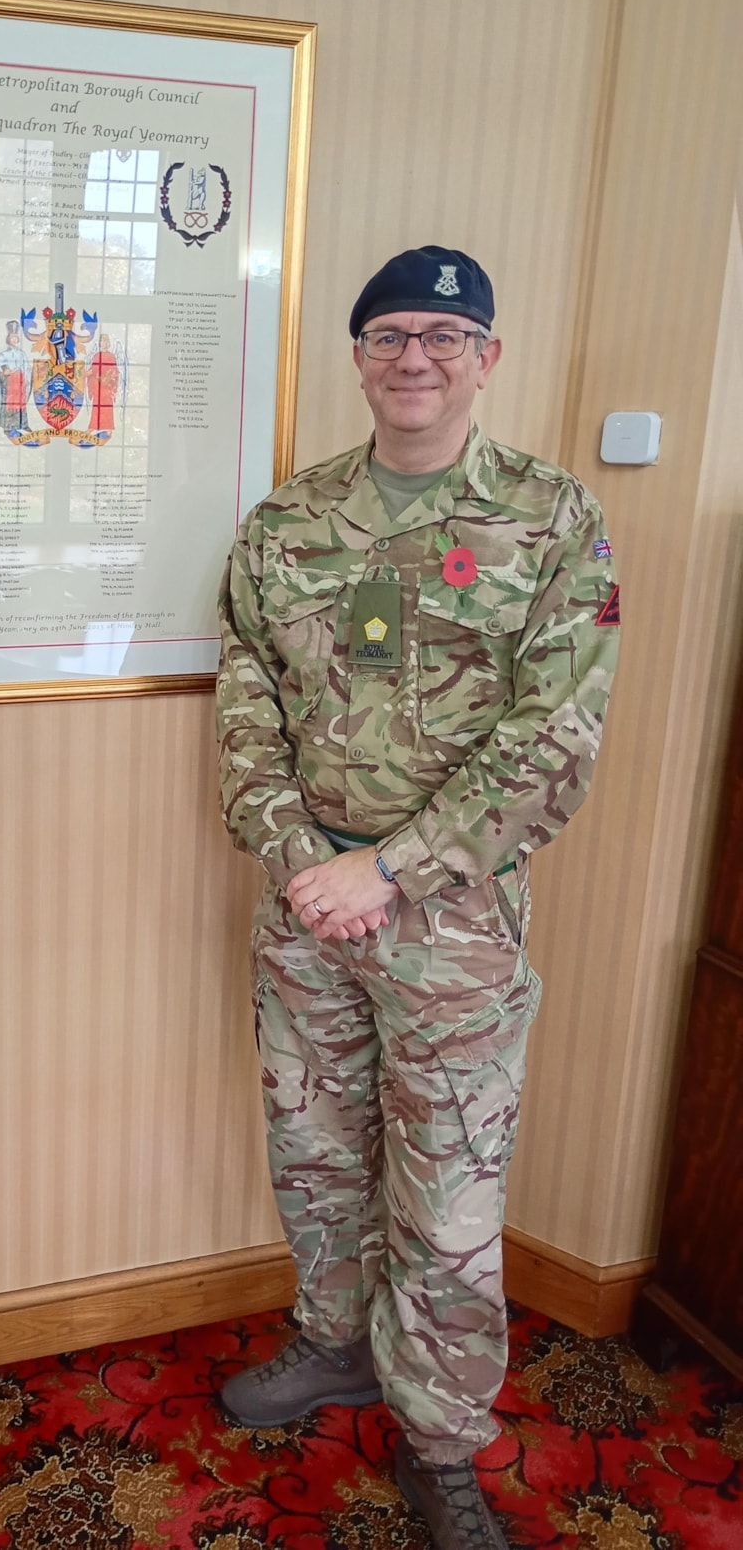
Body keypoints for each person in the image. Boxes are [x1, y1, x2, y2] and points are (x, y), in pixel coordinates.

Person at [215, 248, 619, 1550]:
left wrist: (388, 868)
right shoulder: (288, 523)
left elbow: (557, 738)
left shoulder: (551, 520)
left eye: (446, 335)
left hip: (453, 922)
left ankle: (442, 1439)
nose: (416, 357)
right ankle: (335, 1344)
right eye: (391, 333)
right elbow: (246, 707)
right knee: (318, 1159)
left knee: (446, 1202)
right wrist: (295, 858)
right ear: (359, 355)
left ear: (487, 357)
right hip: (306, 912)